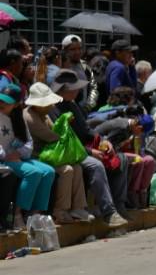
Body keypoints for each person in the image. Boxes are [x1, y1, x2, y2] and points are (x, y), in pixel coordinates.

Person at [50, 71, 130, 226]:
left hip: (82, 148)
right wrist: (90, 152)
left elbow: (86, 130)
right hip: (67, 152)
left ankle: (119, 204)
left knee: (121, 159)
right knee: (96, 165)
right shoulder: (53, 109)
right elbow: (64, 140)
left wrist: (103, 141)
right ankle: (109, 212)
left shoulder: (72, 105)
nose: (78, 91)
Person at [23, 82, 90, 224]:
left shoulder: (44, 115)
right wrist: (63, 125)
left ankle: (78, 207)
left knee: (77, 167)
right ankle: (60, 211)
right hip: (37, 156)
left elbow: (55, 132)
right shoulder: (29, 117)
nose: (51, 106)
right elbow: (53, 136)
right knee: (67, 170)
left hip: (51, 154)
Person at [0, 84, 55, 229]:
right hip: (4, 159)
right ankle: (17, 215)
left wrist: (18, 153)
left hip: (18, 157)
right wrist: (7, 155)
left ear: (17, 104)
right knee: (33, 172)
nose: (3, 103)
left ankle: (35, 215)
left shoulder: (19, 118)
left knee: (49, 171)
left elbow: (28, 143)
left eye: (7, 101)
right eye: (1, 100)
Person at [61, 35, 99, 110]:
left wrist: (89, 105)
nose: (77, 52)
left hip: (84, 111)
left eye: (79, 48)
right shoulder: (61, 67)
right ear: (65, 51)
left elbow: (93, 87)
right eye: (73, 49)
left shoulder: (85, 67)